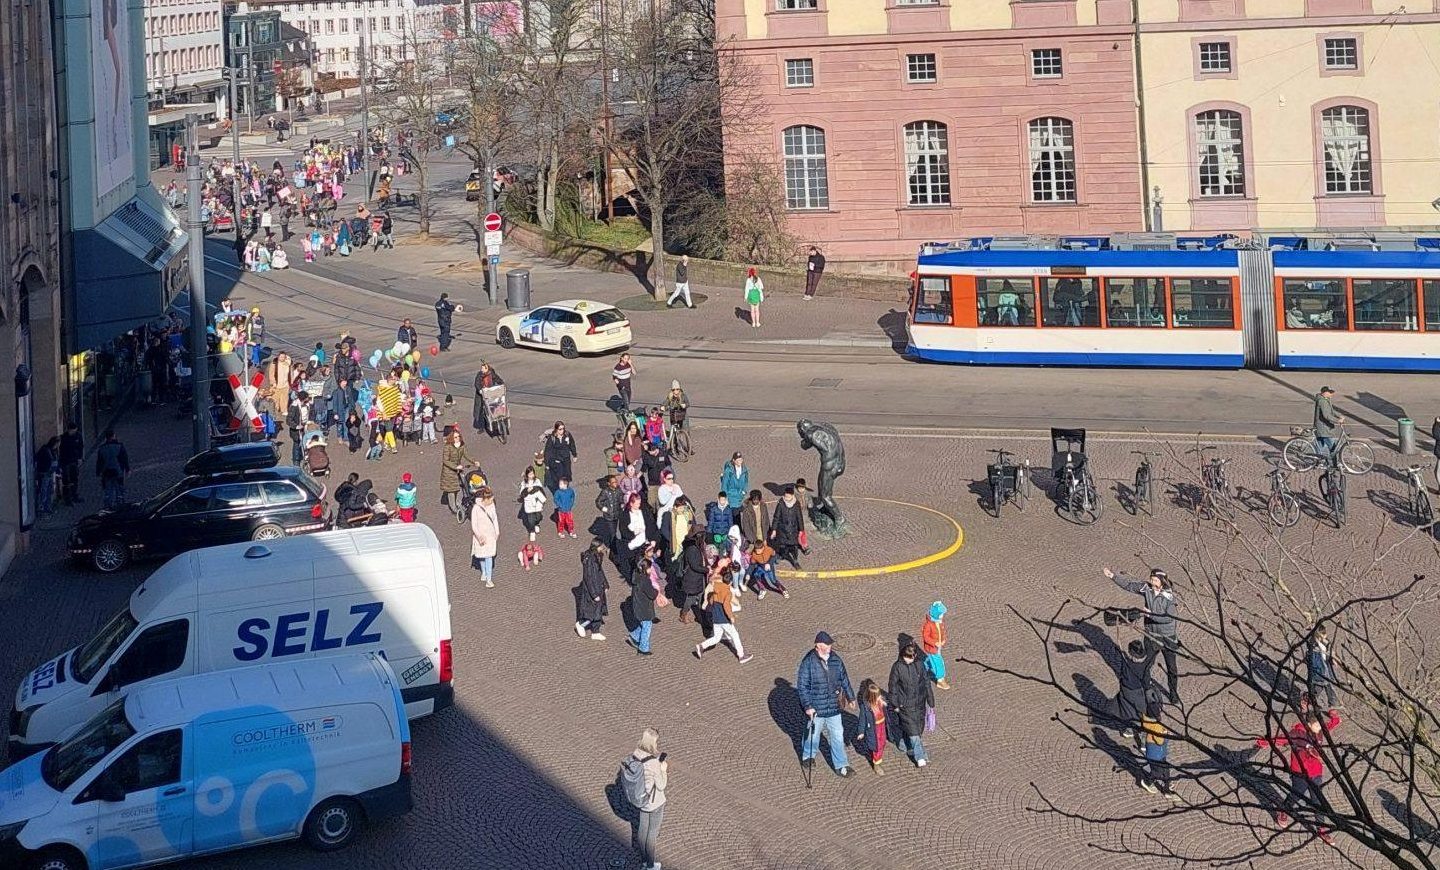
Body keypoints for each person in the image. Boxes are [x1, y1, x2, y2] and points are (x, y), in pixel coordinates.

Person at [1256, 707, 1342, 845]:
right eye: (1317, 725)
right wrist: (1264, 742)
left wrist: (1335, 718)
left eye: (1320, 724)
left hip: (1316, 772)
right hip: (1299, 772)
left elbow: (1330, 725)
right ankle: (1283, 811)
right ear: (1308, 724)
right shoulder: (1297, 733)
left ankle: (1321, 828)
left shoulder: (1319, 730)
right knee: (1296, 794)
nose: (1319, 727)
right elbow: (1281, 739)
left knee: (1318, 800)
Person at [1106, 566, 1181, 704]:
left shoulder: (1169, 596)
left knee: (1172, 668)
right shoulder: (1146, 588)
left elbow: (1169, 618)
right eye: (1151, 579)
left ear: (1162, 581)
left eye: (1155, 579)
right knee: (1146, 664)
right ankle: (1147, 688)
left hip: (1167, 637)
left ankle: (1173, 694)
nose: (1152, 582)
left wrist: (1149, 614)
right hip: (1151, 635)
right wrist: (1113, 576)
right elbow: (1129, 585)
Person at [797, 631, 855, 776]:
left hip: (834, 706)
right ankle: (808, 756)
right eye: (827, 644)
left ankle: (841, 764)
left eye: (830, 644)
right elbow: (802, 686)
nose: (830, 646)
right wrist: (808, 706)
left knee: (837, 735)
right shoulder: (808, 662)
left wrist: (850, 697)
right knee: (813, 735)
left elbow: (844, 679)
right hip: (816, 708)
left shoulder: (836, 660)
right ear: (818, 645)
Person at [619, 728, 668, 870]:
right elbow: (661, 785)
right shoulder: (653, 763)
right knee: (652, 833)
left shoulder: (635, 754)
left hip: (641, 798)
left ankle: (644, 861)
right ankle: (651, 865)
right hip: (655, 801)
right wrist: (663, 770)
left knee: (642, 829)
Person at [887, 640, 935, 768]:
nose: (909, 660)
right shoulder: (897, 667)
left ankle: (902, 743)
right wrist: (896, 704)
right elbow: (892, 687)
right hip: (905, 705)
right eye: (907, 658)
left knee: (918, 729)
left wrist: (930, 700)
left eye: (911, 658)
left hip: (919, 703)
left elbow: (926, 682)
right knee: (914, 732)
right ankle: (920, 756)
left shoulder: (919, 664)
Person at [694, 559, 751, 663]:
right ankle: (741, 655)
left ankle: (701, 646)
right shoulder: (727, 592)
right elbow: (726, 606)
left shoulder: (716, 588)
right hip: (724, 618)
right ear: (729, 582)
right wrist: (731, 617)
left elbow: (711, 601)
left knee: (716, 637)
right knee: (735, 635)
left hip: (716, 618)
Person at [1139, 700, 1179, 801]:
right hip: (1156, 752)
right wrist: (1165, 734)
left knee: (1165, 769)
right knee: (1158, 771)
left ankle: (1167, 787)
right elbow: (1160, 740)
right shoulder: (1156, 726)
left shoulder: (1148, 722)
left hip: (1156, 752)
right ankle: (1148, 782)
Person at [1115, 640, 1155, 740]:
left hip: (1127, 689)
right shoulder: (1145, 664)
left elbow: (1122, 664)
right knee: (1140, 712)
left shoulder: (1127, 663)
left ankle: (1131, 730)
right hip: (1138, 690)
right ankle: (1141, 737)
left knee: (1128, 709)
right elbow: (1146, 678)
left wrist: (1119, 651)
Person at [626, 555, 660, 655]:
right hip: (645, 608)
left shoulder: (636, 576)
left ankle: (634, 636)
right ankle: (643, 648)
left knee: (643, 624)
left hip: (638, 606)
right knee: (647, 626)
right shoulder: (645, 581)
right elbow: (652, 594)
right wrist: (656, 591)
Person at [577, 542, 611, 640]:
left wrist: (605, 584)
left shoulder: (596, 557)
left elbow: (600, 572)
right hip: (593, 591)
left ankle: (596, 631)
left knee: (598, 611)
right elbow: (589, 578)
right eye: (601, 547)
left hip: (598, 587)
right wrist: (594, 594)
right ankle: (581, 624)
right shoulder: (590, 560)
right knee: (592, 612)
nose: (603, 548)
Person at [441, 429, 476, 518]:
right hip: (449, 471)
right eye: (455, 437)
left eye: (458, 437)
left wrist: (474, 461)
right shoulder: (447, 447)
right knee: (451, 490)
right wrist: (455, 466)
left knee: (461, 487)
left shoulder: (462, 446)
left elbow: (466, 454)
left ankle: (458, 503)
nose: (457, 439)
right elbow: (445, 460)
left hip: (458, 470)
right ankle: (453, 507)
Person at [470, 486, 500, 588]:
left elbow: (495, 518)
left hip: (490, 534)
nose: (492, 501)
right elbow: (474, 525)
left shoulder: (492, 506)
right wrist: (479, 536)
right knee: (482, 555)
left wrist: (497, 531)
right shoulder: (476, 508)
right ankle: (483, 571)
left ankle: (489, 578)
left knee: (489, 555)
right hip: (481, 535)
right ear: (485, 499)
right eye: (490, 499)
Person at [770, 485, 805, 569]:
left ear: (792, 496)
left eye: (788, 496)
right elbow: (776, 517)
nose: (786, 498)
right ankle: (782, 555)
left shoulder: (796, 504)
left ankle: (795, 561)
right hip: (782, 530)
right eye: (785, 496)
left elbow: (799, 517)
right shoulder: (781, 503)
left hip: (793, 530)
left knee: (794, 547)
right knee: (783, 545)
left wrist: (801, 529)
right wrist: (774, 529)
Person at [855, 680, 886, 773]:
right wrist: (861, 732)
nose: (880, 697)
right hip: (873, 731)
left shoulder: (880, 702)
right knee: (877, 747)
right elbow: (862, 720)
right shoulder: (866, 708)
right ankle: (876, 765)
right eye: (878, 696)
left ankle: (878, 759)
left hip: (881, 727)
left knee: (882, 744)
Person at [678, 527, 708, 624]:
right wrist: (707, 570)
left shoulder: (695, 546)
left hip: (697, 578)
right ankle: (684, 614)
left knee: (700, 596)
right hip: (692, 578)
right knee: (691, 598)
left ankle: (700, 615)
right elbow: (695, 566)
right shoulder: (692, 549)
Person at [94, 429, 130, 508]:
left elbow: (99, 461)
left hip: (106, 472)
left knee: (108, 491)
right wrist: (127, 470)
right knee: (119, 490)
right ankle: (120, 506)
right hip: (118, 472)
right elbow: (124, 459)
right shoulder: (120, 446)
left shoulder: (102, 448)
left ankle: (108, 507)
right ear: (113, 436)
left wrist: (98, 472)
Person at [1307, 626, 1338, 710]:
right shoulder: (1312, 646)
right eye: (1321, 636)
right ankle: (1307, 699)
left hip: (1327, 669)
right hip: (1319, 671)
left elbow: (1330, 651)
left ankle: (1333, 708)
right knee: (1317, 689)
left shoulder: (1326, 642)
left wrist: (1333, 659)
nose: (1324, 637)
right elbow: (1312, 661)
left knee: (1331, 689)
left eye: (1324, 634)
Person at [922, 601, 951, 690]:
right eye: (941, 614)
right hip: (932, 648)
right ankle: (940, 679)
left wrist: (943, 640)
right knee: (938, 662)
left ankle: (922, 669)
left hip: (938, 647)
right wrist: (934, 643)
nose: (942, 616)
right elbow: (925, 637)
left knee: (932, 660)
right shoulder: (929, 624)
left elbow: (942, 632)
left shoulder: (939, 622)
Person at [542, 421, 578, 492]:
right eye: (560, 429)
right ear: (556, 429)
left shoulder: (567, 435)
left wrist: (574, 455)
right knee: (559, 476)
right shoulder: (552, 438)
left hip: (566, 459)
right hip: (557, 460)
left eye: (563, 429)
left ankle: (565, 488)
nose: (562, 431)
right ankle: (559, 490)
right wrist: (547, 463)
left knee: (567, 475)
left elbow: (572, 444)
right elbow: (548, 450)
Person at [473, 362, 504, 434]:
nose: (481, 370)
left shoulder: (491, 373)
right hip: (481, 395)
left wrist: (501, 383)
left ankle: (496, 424)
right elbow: (477, 383)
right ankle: (481, 427)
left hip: (490, 392)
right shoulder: (479, 375)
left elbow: (497, 378)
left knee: (494, 406)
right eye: (481, 368)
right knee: (481, 410)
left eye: (483, 368)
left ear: (486, 369)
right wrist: (480, 390)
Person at [1313, 386, 1343, 459]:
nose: (1331, 394)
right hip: (1324, 428)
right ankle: (1334, 464)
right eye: (1330, 392)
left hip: (1321, 427)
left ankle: (1316, 462)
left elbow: (1330, 412)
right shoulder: (1322, 401)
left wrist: (1338, 416)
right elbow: (1326, 415)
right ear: (1325, 392)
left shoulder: (1325, 399)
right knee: (1332, 447)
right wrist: (1337, 420)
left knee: (1319, 446)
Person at [520, 467, 547, 543]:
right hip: (529, 503)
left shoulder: (537, 481)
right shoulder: (524, 483)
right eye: (530, 474)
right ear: (527, 474)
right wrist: (526, 491)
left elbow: (541, 490)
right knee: (530, 519)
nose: (531, 475)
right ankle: (532, 531)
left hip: (537, 502)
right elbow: (521, 493)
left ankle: (537, 524)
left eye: (532, 473)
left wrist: (542, 499)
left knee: (538, 516)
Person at [59, 422, 83, 505]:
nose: (74, 432)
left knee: (74, 479)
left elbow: (80, 447)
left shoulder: (78, 436)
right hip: (65, 462)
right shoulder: (63, 438)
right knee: (66, 481)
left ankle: (74, 495)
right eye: (72, 431)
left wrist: (80, 458)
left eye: (75, 431)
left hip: (74, 461)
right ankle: (67, 499)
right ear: (69, 430)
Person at [595, 474, 622, 546]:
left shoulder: (619, 490)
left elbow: (621, 499)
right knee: (612, 532)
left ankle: (617, 544)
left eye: (616, 481)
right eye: (613, 482)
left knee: (618, 531)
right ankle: (612, 546)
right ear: (609, 483)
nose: (615, 483)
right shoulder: (605, 492)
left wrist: (622, 504)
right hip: (609, 516)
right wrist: (603, 508)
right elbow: (598, 501)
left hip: (617, 514)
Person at [34, 437, 59, 515]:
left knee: (49, 490)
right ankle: (41, 508)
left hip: (49, 474)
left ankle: (47, 507)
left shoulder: (52, 450)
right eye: (57, 444)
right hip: (44, 474)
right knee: (43, 491)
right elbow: (39, 460)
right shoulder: (45, 450)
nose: (58, 445)